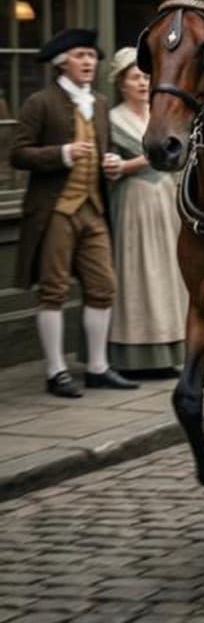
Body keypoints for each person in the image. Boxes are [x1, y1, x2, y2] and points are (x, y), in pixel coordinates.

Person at [10, 28, 136, 397]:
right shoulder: (40, 102)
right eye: (81, 56)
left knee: (103, 287)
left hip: (94, 210)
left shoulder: (98, 103)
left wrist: (110, 161)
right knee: (54, 290)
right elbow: (18, 153)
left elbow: (105, 147)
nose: (88, 63)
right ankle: (56, 371)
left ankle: (97, 367)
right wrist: (62, 154)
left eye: (92, 57)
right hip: (55, 211)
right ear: (62, 62)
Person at [104, 46, 187, 376]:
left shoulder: (161, 113)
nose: (141, 83)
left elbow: (179, 150)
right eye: (134, 77)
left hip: (165, 197)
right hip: (134, 203)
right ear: (121, 83)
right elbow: (108, 164)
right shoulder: (112, 119)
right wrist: (117, 165)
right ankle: (133, 355)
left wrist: (132, 163)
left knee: (169, 270)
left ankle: (169, 350)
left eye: (145, 77)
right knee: (138, 272)